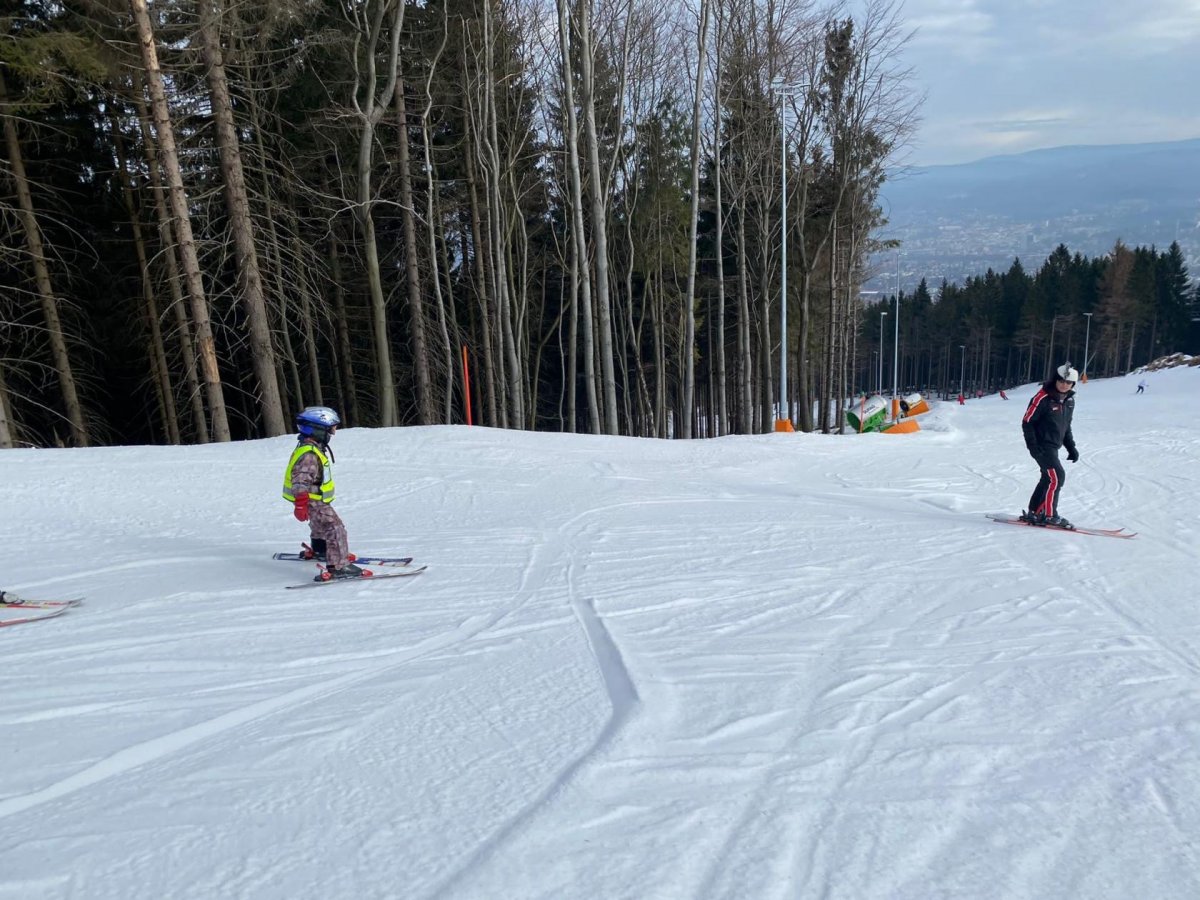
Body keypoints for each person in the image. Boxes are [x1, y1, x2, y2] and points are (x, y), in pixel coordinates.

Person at [282, 406, 366, 581]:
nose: (332, 433)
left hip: (313, 498)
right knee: (335, 527)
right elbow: (300, 481)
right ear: (317, 430)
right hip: (311, 498)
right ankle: (339, 566)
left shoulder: (310, 448)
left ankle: (321, 549)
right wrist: (300, 505)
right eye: (330, 429)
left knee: (319, 524)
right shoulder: (309, 454)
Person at [1020, 363, 1080, 528]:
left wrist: (1071, 447)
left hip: (1054, 446)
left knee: (1048, 478)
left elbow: (1065, 427)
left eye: (1068, 382)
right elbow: (1027, 422)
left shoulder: (1069, 401)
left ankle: (1035, 511)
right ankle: (1049, 515)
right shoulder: (1042, 398)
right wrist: (1033, 447)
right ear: (1055, 380)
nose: (1064, 385)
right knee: (1057, 477)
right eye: (1061, 381)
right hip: (1041, 446)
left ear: (1073, 384)